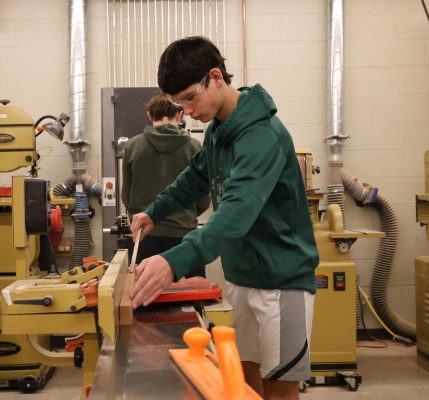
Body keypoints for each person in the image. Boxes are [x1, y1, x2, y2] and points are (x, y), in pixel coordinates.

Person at [130, 36, 319, 400]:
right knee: (244, 382)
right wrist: (154, 212)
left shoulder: (260, 135)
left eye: (189, 97)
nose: (185, 110)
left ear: (215, 77)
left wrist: (174, 262)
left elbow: (235, 214)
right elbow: (195, 177)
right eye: (177, 103)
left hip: (281, 281)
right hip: (243, 276)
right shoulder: (219, 128)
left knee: (280, 389)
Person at [122, 92, 210, 277]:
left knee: (146, 299)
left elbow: (126, 196)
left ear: (149, 115)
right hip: (185, 238)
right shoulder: (195, 147)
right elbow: (204, 199)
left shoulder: (132, 146)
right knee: (192, 299)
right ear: (179, 115)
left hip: (145, 239)